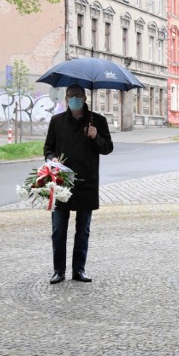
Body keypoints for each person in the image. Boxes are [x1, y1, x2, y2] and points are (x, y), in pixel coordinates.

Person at [44, 84, 114, 284]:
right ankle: (58, 270)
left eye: (78, 96)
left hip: (86, 182)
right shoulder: (57, 121)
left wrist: (95, 137)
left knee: (83, 230)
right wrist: (53, 158)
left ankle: (79, 270)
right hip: (61, 183)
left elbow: (108, 147)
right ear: (66, 99)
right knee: (58, 229)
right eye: (71, 96)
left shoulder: (97, 121)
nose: (74, 100)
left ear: (84, 99)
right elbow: (48, 148)